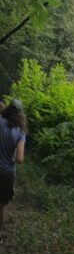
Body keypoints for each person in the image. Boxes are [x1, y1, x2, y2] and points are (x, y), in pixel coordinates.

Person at [0, 99, 26, 231]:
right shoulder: (20, 132)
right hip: (6, 172)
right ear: (20, 115)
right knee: (1, 205)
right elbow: (19, 159)